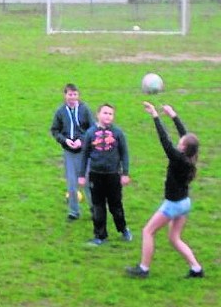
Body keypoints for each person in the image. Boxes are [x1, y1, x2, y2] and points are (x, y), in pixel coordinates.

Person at [126, 103, 203, 278]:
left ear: (183, 148)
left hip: (173, 205)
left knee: (148, 231)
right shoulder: (190, 156)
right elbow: (186, 135)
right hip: (184, 203)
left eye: (181, 142)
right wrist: (173, 115)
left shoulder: (178, 159)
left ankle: (143, 269)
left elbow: (165, 141)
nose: (179, 141)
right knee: (174, 238)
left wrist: (155, 116)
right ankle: (196, 269)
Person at [78, 103, 132, 245]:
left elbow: (124, 154)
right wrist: (82, 175)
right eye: (105, 113)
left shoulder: (118, 133)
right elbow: (84, 155)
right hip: (96, 175)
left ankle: (123, 229)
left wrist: (125, 173)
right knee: (98, 206)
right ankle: (100, 235)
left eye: (110, 114)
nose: (108, 116)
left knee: (116, 205)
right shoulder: (90, 133)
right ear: (98, 114)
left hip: (113, 175)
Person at [50, 83, 95, 221]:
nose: (72, 97)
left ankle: (95, 208)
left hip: (84, 151)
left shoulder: (84, 109)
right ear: (65, 96)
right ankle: (74, 211)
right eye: (70, 94)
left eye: (75, 94)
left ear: (78, 95)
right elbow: (55, 130)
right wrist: (65, 141)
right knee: (71, 183)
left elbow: (92, 128)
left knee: (88, 181)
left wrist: (82, 140)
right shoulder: (60, 112)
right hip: (69, 152)